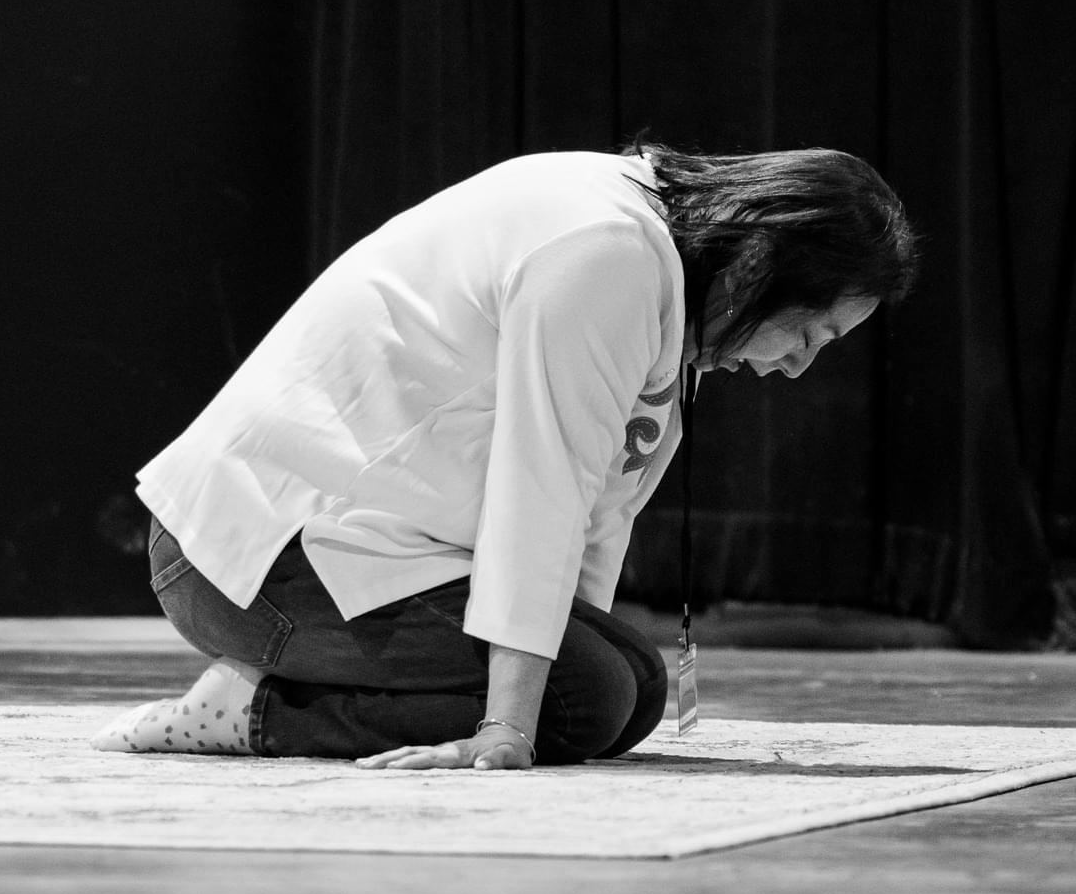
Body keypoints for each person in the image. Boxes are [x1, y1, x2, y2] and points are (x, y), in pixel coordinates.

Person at [99, 141, 919, 770]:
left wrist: (577, 658)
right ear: (758, 268)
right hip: (252, 561)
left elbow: (601, 507)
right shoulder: (610, 252)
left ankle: (506, 691)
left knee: (627, 686)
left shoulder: (658, 268)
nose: (796, 366)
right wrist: (505, 730)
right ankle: (254, 712)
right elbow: (544, 490)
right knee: (585, 695)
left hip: (366, 553)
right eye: (809, 333)